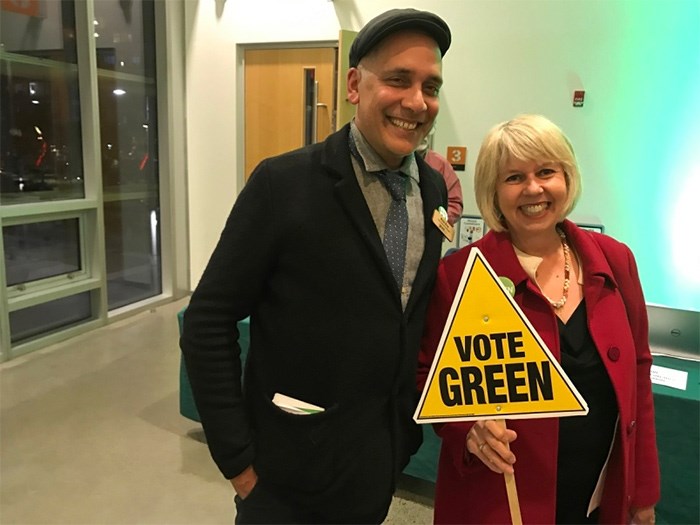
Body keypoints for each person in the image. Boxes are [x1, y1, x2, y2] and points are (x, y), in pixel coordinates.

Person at [180, 8, 451, 524]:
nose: (417, 102)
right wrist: (240, 465)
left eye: (431, 86)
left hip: (378, 465)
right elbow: (207, 322)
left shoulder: (432, 191)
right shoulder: (283, 186)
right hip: (286, 480)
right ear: (354, 84)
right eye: (398, 80)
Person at [417, 114, 659, 524]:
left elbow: (639, 375)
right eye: (513, 177)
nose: (534, 188)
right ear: (494, 191)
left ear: (567, 178)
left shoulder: (615, 261)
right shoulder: (460, 275)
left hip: (596, 497)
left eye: (546, 171)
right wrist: (467, 429)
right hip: (500, 498)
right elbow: (427, 374)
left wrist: (643, 494)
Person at [417, 128, 463, 225]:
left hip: (430, 233)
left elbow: (455, 202)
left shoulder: (440, 164)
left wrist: (442, 218)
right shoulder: (392, 161)